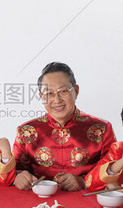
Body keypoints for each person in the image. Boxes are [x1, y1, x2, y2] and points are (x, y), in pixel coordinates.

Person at [13, 62, 116, 191]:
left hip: (86, 204)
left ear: (76, 91)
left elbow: (112, 171)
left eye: (63, 91)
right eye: (49, 93)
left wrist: (83, 182)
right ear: (41, 97)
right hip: (38, 205)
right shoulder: (27, 131)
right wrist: (18, 177)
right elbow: (13, 170)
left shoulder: (101, 129)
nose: (57, 100)